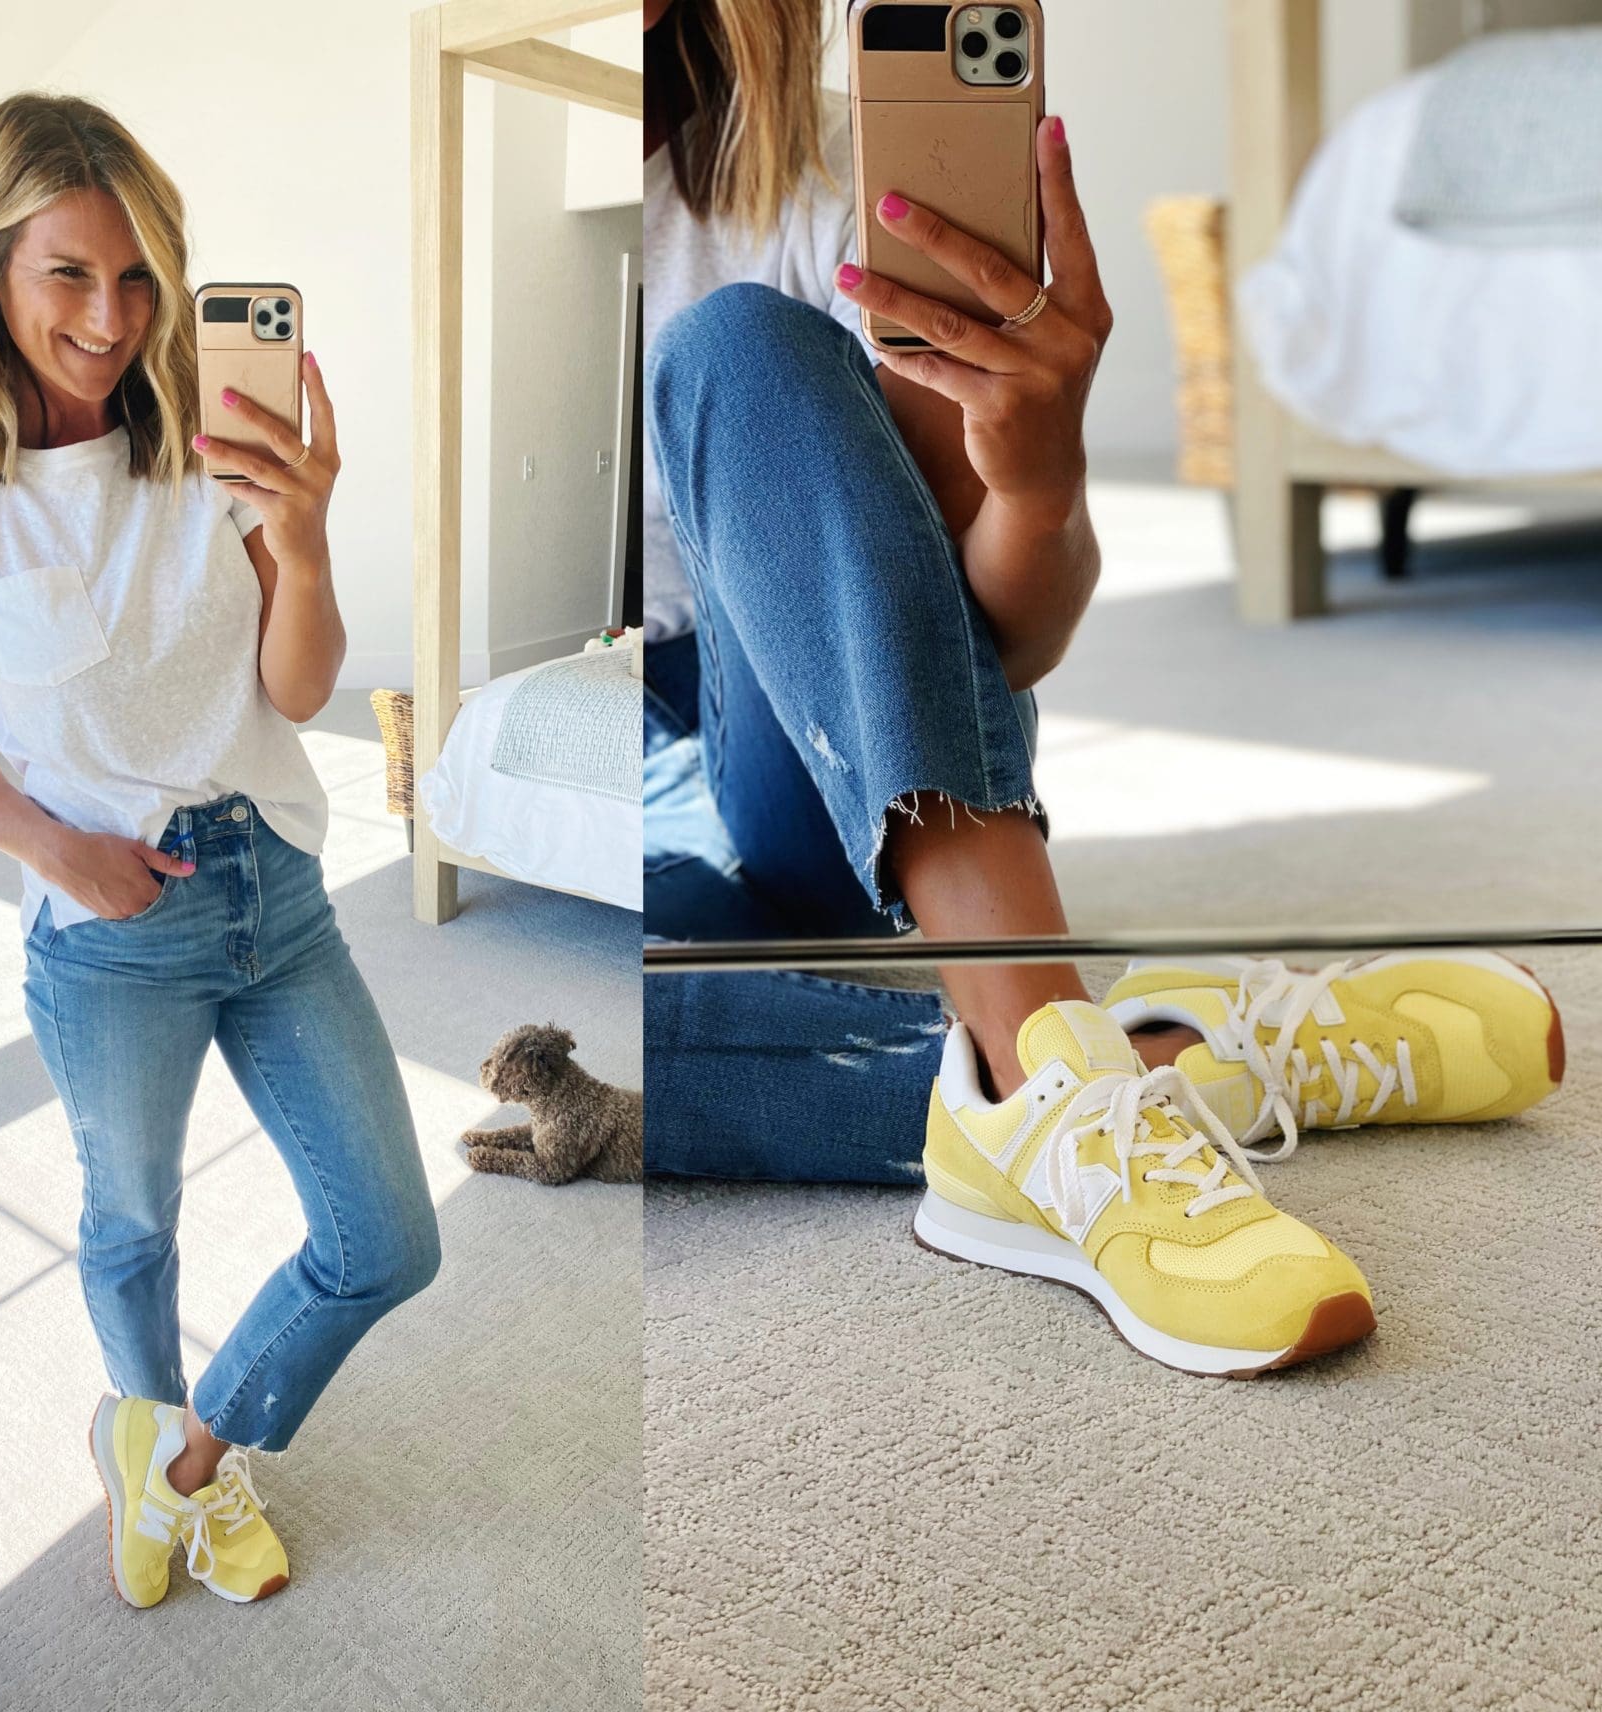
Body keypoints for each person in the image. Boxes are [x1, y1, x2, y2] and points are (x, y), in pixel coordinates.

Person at [639, 0, 1562, 1375]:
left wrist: (1040, 484)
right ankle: (1170, 1058)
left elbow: (991, 650)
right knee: (609, 1014)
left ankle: (1040, 1054)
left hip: (818, 737)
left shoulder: (844, 183)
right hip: (627, 760)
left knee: (735, 349)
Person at [0, 93, 440, 1607]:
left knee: (386, 1239)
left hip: (279, 893)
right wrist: (61, 851)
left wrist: (303, 537)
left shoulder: (213, 449)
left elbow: (298, 691)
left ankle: (183, 1461)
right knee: (132, 1223)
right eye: (68, 274)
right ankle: (141, 1417)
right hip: (108, 928)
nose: (110, 320)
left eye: (137, 278)